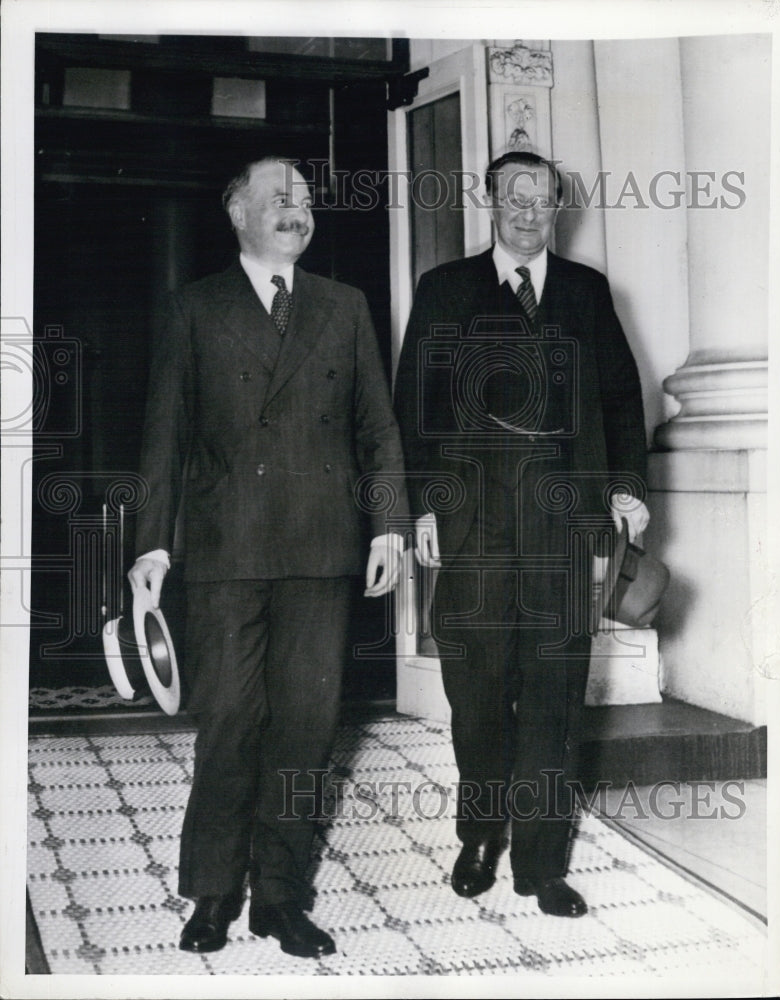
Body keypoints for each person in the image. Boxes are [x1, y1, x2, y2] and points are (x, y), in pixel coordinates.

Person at [129, 156, 408, 957]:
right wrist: (152, 541)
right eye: (279, 199)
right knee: (229, 722)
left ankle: (280, 897)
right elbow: (165, 434)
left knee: (306, 726)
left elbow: (376, 427)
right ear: (238, 214)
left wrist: (387, 523)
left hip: (323, 548)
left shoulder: (344, 306)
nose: (298, 212)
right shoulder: (195, 308)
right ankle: (213, 891)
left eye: (307, 201)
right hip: (226, 549)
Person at [393, 151, 650, 918]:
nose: (531, 213)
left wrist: (629, 490)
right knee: (474, 692)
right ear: (491, 202)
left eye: (544, 200)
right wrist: (425, 507)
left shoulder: (585, 291)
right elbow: (415, 408)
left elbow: (620, 401)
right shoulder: (445, 289)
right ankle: (478, 836)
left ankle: (542, 864)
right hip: (472, 525)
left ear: (557, 208)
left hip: (563, 527)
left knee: (551, 695)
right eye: (516, 198)